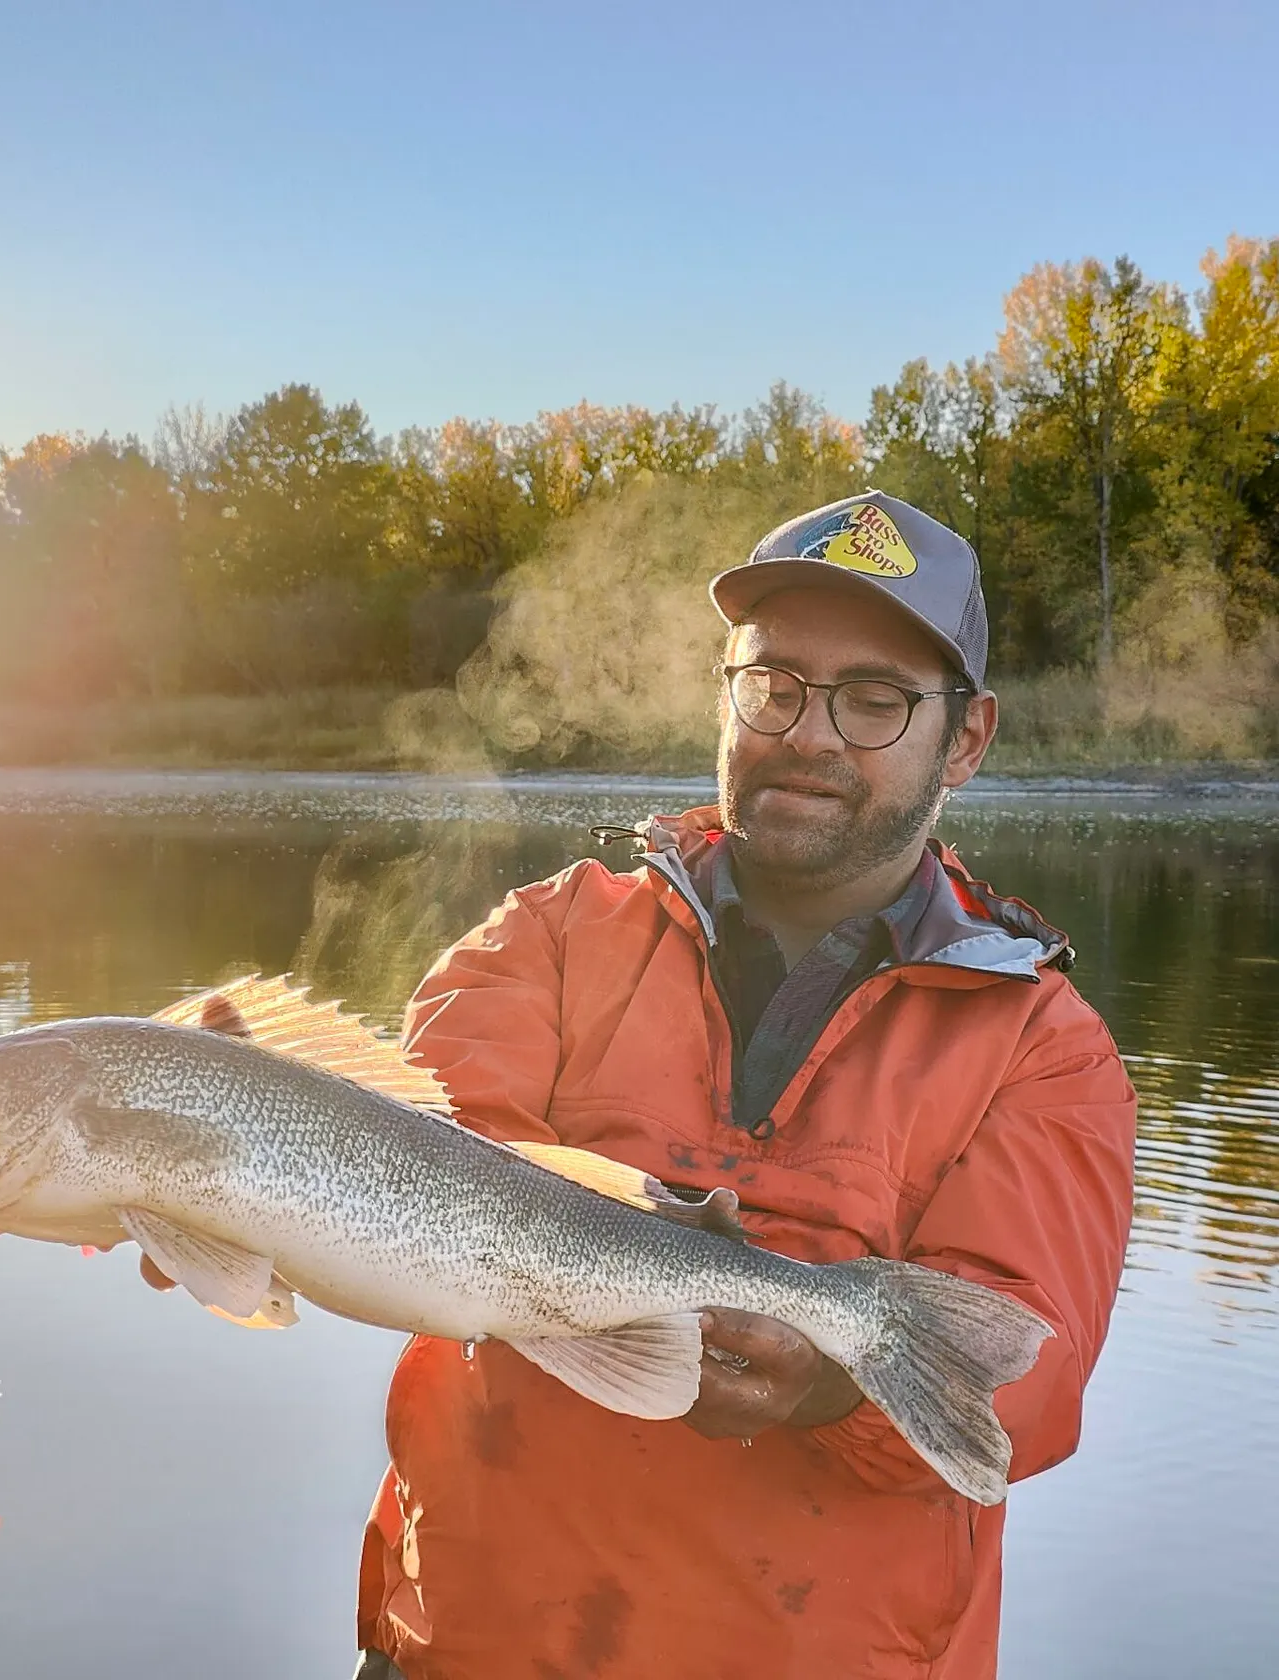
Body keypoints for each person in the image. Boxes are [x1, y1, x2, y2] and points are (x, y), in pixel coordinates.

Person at [343, 492, 1137, 1679]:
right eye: (773, 685)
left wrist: (828, 1384)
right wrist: (229, 1148)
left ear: (965, 739)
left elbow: (1024, 1378)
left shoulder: (1046, 1048)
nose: (808, 735)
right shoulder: (553, 935)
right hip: (462, 1647)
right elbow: (415, 1166)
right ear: (728, 695)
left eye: (874, 701)